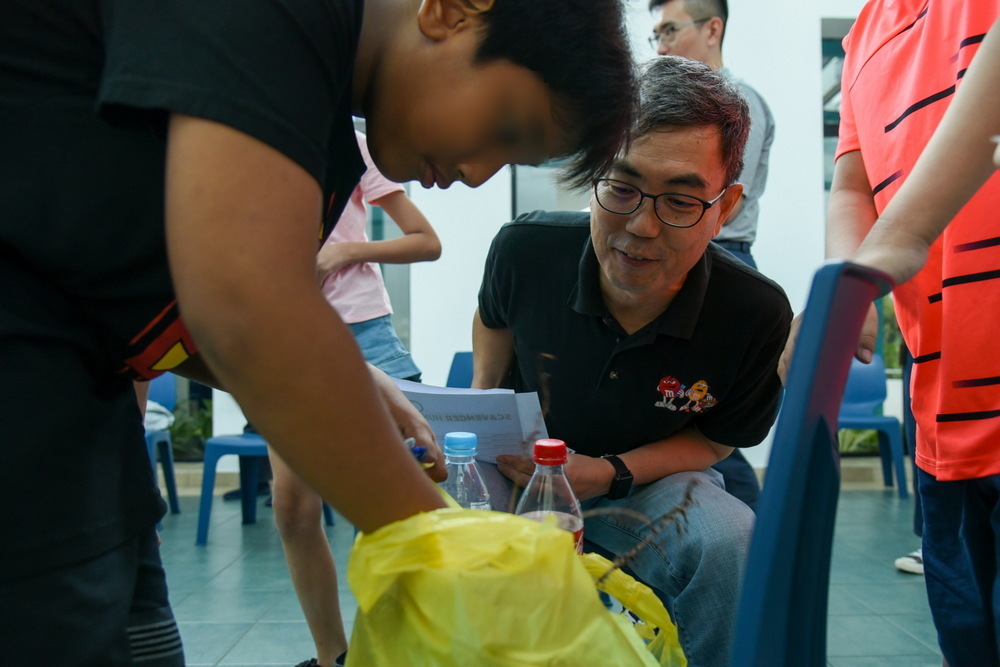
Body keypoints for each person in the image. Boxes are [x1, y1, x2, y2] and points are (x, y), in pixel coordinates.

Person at [0, 0, 637, 662]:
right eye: (506, 127)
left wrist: (352, 377)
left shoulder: (323, 121)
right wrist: (449, 551)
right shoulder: (277, 18)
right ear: (452, 11)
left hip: (84, 428)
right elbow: (243, 305)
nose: (478, 174)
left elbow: (170, 304)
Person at [472, 56, 793, 667]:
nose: (642, 226)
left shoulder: (753, 312)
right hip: (520, 474)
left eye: (681, 201)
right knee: (425, 520)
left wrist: (605, 472)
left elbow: (715, 439)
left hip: (650, 486)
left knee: (730, 543)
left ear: (725, 207)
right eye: (621, 188)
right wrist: (484, 405)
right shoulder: (526, 251)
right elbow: (494, 319)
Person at [790, 3, 1000, 664]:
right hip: (941, 407)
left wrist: (902, 236)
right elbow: (852, 186)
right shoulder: (864, 35)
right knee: (969, 637)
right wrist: (848, 283)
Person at [274, 130, 439, 667]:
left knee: (393, 506)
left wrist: (344, 251)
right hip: (288, 331)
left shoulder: (353, 144)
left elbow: (426, 240)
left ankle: (406, 650)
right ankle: (333, 658)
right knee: (293, 507)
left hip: (362, 328)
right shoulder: (256, 135)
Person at [648, 0, 775, 510]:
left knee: (710, 423)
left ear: (712, 28)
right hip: (682, 259)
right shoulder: (670, 104)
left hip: (719, 259)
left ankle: (755, 543)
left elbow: (717, 191)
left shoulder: (739, 103)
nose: (661, 46)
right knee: (678, 414)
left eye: (669, 30)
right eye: (655, 35)